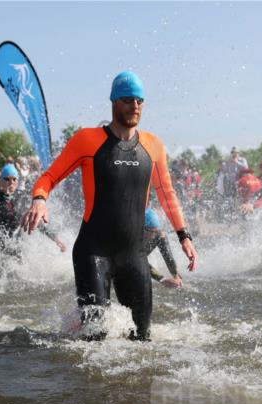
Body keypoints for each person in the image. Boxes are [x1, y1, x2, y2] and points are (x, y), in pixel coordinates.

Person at [22, 70, 199, 342]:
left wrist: (183, 235)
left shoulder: (153, 145)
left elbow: (168, 194)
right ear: (115, 101)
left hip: (133, 255)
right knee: (96, 339)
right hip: (94, 252)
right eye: (128, 99)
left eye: (140, 100)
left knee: (142, 339)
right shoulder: (87, 140)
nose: (135, 106)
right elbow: (49, 177)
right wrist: (39, 200)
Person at [143, 208, 181, 288]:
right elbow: (139, 260)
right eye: (150, 232)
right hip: (119, 258)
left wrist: (176, 275)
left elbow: (168, 256)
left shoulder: (158, 234)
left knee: (161, 237)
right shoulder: (132, 236)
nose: (152, 236)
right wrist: (162, 279)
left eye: (155, 231)